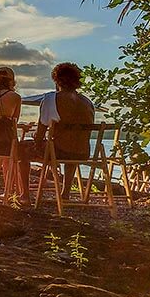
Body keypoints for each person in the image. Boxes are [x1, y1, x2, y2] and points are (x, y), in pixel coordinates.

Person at [18, 62, 94, 203]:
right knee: (70, 150)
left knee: (21, 148)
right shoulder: (87, 102)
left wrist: (37, 138)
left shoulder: (50, 99)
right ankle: (65, 194)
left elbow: (40, 135)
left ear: (56, 80)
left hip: (59, 151)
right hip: (82, 152)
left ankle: (25, 195)